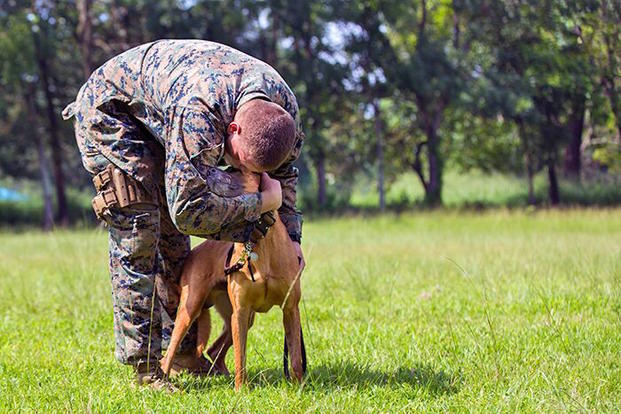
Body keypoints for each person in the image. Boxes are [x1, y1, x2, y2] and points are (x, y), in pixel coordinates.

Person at [62, 39, 305, 389]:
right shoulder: (199, 114)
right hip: (113, 115)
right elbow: (187, 211)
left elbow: (284, 180)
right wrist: (260, 204)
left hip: (165, 120)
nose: (239, 171)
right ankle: (146, 369)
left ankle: (183, 357)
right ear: (233, 129)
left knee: (175, 245)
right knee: (141, 227)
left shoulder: (283, 111)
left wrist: (293, 241)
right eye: (239, 161)